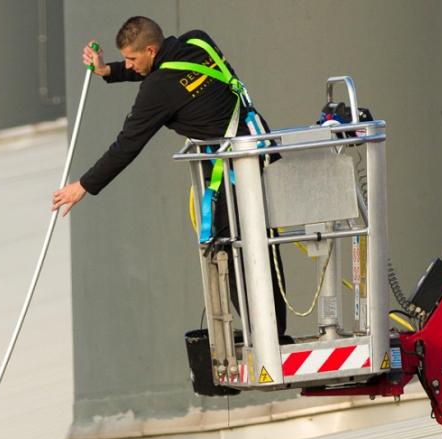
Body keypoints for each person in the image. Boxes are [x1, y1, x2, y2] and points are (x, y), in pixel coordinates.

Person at [50, 16, 292, 343]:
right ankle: (274, 330)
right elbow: (174, 75)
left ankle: (265, 336)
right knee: (266, 247)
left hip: (232, 173)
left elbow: (126, 146)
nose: (129, 65)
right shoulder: (198, 41)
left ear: (150, 50)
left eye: (132, 59)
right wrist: (109, 72)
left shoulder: (157, 90)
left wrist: (83, 186)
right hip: (262, 150)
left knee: (233, 253)